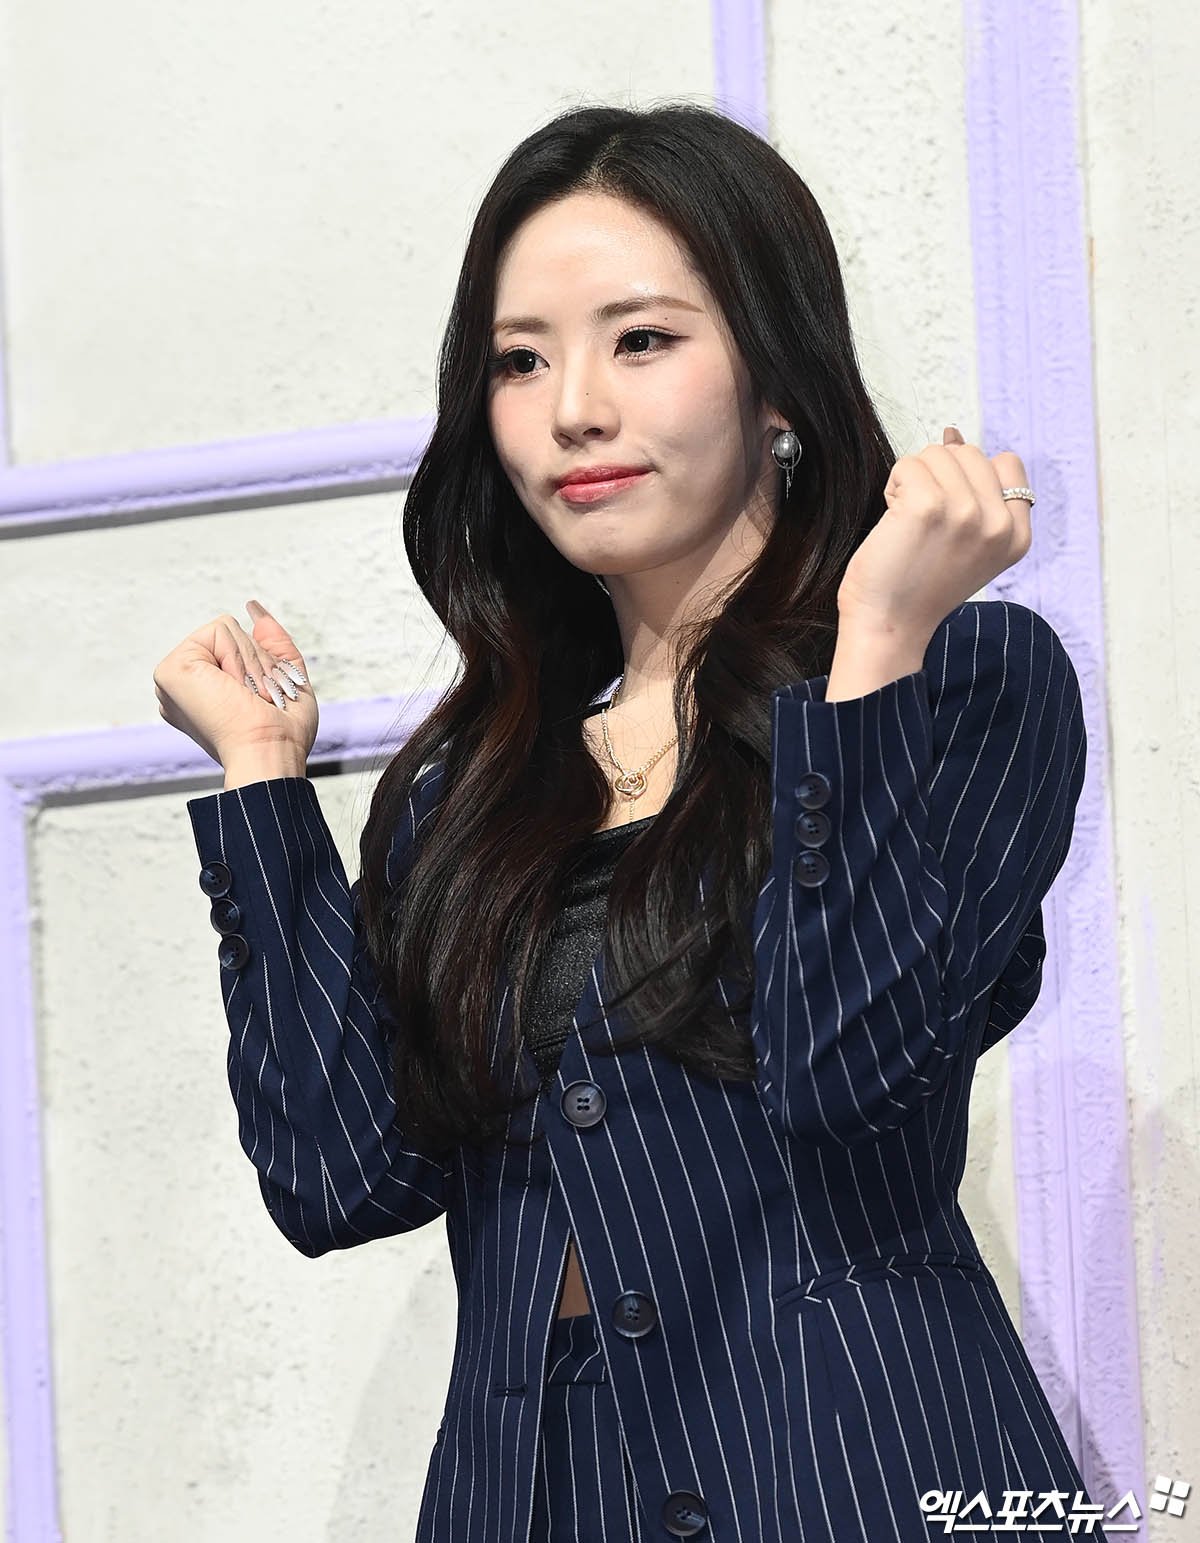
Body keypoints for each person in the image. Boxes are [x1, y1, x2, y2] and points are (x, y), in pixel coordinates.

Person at [152, 102, 1102, 1542]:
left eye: (642, 340)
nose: (572, 410)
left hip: (856, 1476)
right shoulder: (477, 783)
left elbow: (851, 1082)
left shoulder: (961, 681)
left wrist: (877, 644)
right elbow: (339, 1177)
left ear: (778, 383)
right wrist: (264, 783)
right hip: (534, 1497)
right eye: (520, 361)